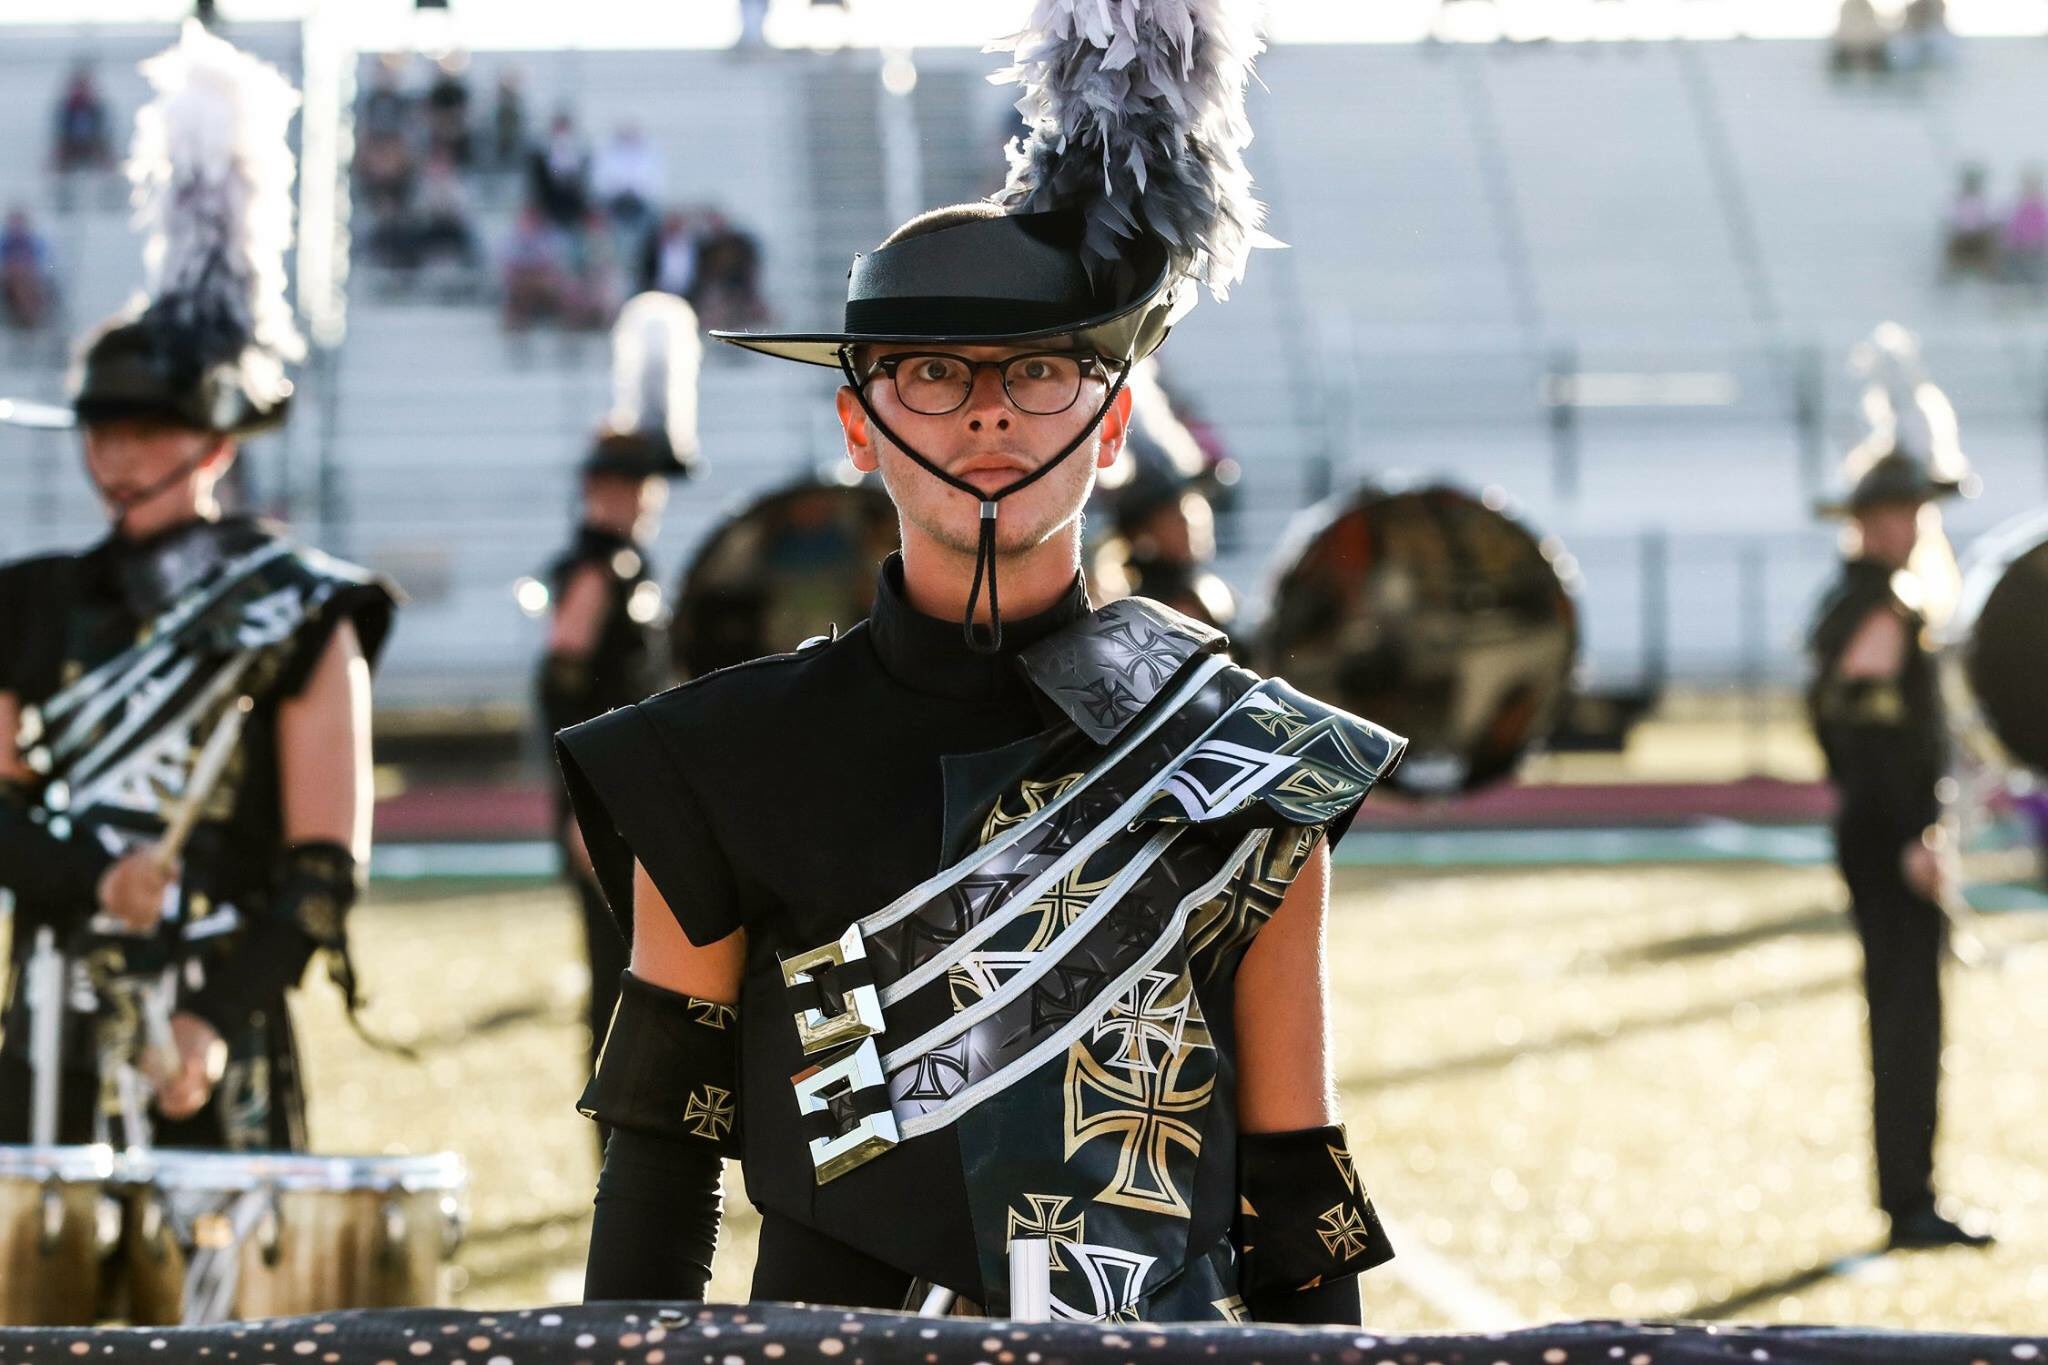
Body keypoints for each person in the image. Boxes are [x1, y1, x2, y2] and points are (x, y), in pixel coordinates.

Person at [558, 0, 1401, 1324]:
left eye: (1040, 374)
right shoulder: (723, 759)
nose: (994, 410)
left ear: (1115, 423)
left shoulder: (1246, 758)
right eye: (935, 373)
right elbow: (664, 1165)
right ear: (856, 424)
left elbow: (1294, 1178)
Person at [0, 23, 398, 1152]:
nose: (119, 460)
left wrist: (211, 1019)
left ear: (216, 443)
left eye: (152, 431)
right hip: (42, 1031)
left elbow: (325, 870)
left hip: (215, 1039)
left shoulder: (305, 609)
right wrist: (90, 874)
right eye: (103, 433)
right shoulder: (23, 604)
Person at [1807, 447, 1994, 1251]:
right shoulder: (1879, 605)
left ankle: (1911, 1192)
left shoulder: (1866, 600)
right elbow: (1862, 737)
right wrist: (1913, 834)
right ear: (1866, 523)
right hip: (1890, 839)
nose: (1914, 524)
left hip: (1886, 833)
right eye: (1898, 511)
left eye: (1918, 509)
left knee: (1910, 1011)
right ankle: (1910, 1200)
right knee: (1908, 1016)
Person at [535, 294, 700, 1120]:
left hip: (634, 803)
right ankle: (616, 1126)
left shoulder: (629, 564)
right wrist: (579, 803)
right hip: (603, 808)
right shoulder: (595, 568)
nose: (644, 496)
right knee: (616, 978)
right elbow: (561, 685)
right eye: (631, 482)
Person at [0, 209, 57, 332]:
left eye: (20, 222)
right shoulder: (4, 241)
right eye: (14, 222)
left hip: (31, 279)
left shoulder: (35, 242)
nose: (17, 226)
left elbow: (44, 263)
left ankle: (30, 317)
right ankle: (29, 318)